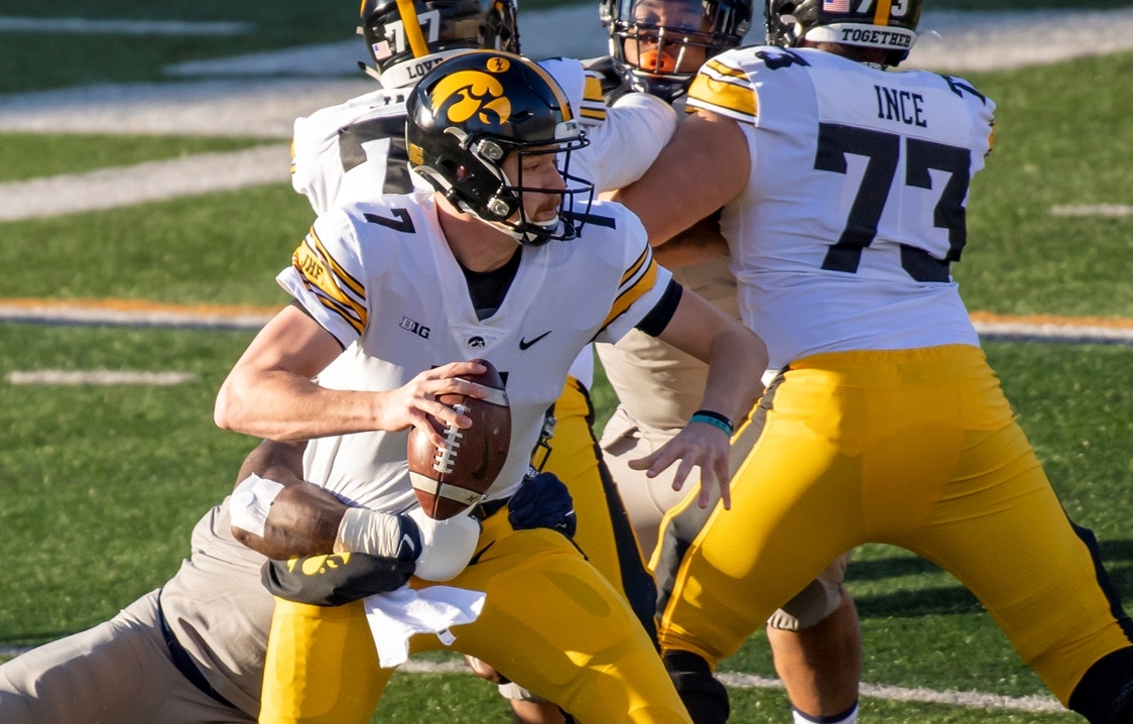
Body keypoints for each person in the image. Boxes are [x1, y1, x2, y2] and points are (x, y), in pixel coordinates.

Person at [608, 2, 1133, 723]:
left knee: (668, 649)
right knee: (1098, 650)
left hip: (824, 417)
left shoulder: (761, 84)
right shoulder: (959, 107)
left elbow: (627, 234)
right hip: (966, 414)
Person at [213, 49, 768, 723]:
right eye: (532, 163)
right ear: (462, 171)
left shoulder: (597, 244)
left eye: (555, 158)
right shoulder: (373, 243)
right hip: (354, 540)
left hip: (499, 534)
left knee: (651, 713)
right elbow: (242, 397)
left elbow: (735, 343)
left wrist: (711, 423)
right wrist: (390, 406)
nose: (557, 181)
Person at [288, 2, 681, 720]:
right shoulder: (547, 86)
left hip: (491, 441)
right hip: (391, 465)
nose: (557, 178)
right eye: (535, 159)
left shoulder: (324, 132)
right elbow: (643, 130)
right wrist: (652, 93)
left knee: (625, 677)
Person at [595, 1, 864, 722]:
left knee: (804, 590)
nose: (665, 37)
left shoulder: (749, 106)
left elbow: (621, 234)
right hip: (640, 422)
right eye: (650, 16)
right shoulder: (580, 101)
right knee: (554, 586)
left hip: (755, 407)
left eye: (688, 18)